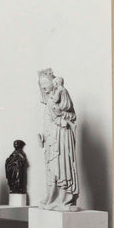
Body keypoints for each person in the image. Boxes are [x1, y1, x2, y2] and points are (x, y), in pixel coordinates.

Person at [37, 69, 79, 211]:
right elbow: (46, 122)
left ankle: (63, 199)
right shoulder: (47, 104)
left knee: (62, 167)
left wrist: (61, 121)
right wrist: (42, 136)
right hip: (50, 140)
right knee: (51, 169)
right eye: (41, 84)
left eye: (45, 83)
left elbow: (71, 116)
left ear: (53, 82)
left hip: (61, 137)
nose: (43, 87)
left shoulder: (62, 95)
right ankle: (52, 197)